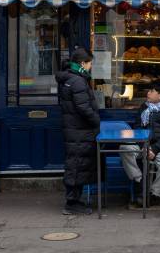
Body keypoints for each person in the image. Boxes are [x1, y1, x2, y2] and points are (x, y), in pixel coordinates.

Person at [56, 47, 100, 215]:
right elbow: (84, 108)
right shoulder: (78, 81)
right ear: (82, 63)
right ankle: (72, 203)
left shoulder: (70, 78)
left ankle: (74, 200)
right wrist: (96, 120)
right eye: (89, 63)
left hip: (75, 129)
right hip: (80, 130)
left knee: (76, 163)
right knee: (78, 164)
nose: (90, 67)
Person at [120, 80, 160, 206]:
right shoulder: (143, 108)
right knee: (124, 148)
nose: (148, 93)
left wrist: (154, 149)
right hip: (142, 144)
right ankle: (141, 181)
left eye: (151, 91)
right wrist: (144, 147)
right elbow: (137, 128)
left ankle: (154, 194)